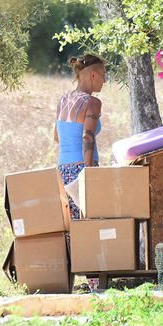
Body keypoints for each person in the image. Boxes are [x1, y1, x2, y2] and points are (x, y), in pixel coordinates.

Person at [55, 54, 105, 220]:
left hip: (63, 170)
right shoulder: (92, 102)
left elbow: (57, 138)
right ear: (93, 75)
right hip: (81, 168)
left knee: (73, 225)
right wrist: (89, 173)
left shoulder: (63, 100)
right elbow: (87, 138)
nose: (104, 81)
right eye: (103, 75)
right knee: (91, 223)